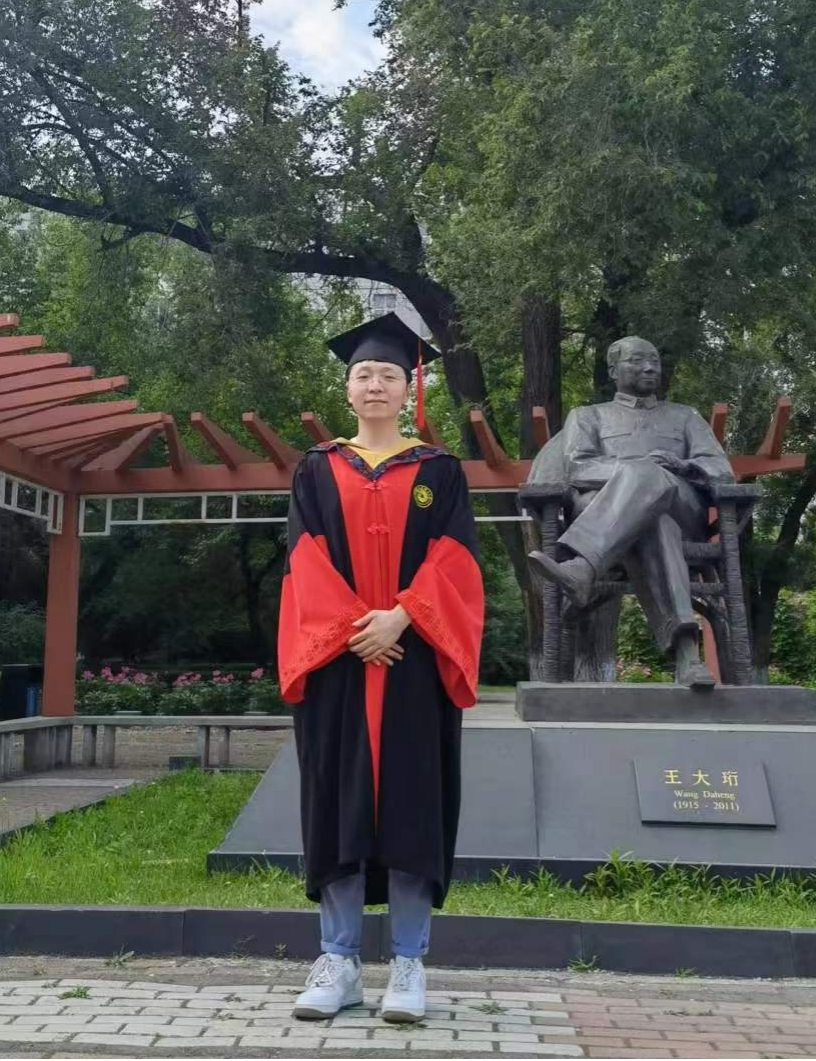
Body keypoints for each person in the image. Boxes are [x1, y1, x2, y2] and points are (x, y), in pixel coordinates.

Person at [277, 312, 484, 1023]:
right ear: (347, 388)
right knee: (336, 805)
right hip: (337, 663)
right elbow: (303, 559)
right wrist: (352, 629)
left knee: (411, 807)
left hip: (413, 662)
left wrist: (401, 616)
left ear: (408, 388)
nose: (374, 385)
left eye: (387, 375)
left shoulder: (440, 472)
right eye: (363, 374)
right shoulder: (316, 469)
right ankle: (337, 963)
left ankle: (408, 965)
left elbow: (456, 561)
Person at [526, 335, 734, 688]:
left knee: (654, 486)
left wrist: (682, 467)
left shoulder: (685, 417)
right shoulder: (588, 416)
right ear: (613, 370)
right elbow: (578, 468)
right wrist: (638, 472)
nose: (649, 367)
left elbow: (721, 471)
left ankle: (583, 566)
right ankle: (688, 657)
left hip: (682, 508)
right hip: (619, 515)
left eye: (654, 361)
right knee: (655, 519)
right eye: (637, 361)